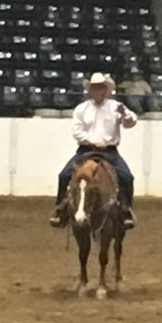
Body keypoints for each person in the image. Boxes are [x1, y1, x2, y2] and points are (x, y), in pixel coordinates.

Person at [50, 73, 138, 230]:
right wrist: (91, 141)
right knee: (64, 176)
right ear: (90, 90)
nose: (98, 91)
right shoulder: (81, 109)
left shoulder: (116, 107)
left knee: (127, 177)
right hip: (86, 150)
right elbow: (77, 131)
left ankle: (126, 210)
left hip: (109, 151)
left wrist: (124, 114)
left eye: (100, 88)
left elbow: (130, 122)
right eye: (95, 88)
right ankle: (60, 209)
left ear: (105, 90)